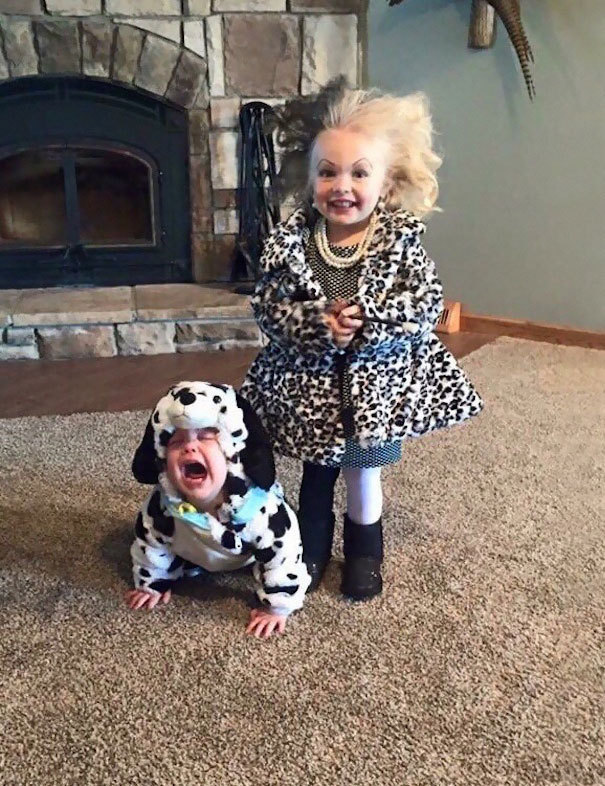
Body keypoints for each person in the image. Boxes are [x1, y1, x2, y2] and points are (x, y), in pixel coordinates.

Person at [240, 78, 484, 601]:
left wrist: (371, 318)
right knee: (315, 476)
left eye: (359, 172)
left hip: (376, 393)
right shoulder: (292, 244)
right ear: (308, 179)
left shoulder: (399, 242)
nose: (342, 186)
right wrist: (315, 322)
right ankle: (308, 548)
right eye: (327, 172)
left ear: (386, 182)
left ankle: (365, 554)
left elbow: (424, 306)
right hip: (310, 392)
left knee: (362, 477)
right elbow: (269, 308)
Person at [125, 380, 311, 639]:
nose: (190, 447)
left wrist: (278, 607)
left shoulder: (259, 511)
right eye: (176, 442)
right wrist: (153, 581)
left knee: (279, 548)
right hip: (192, 553)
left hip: (244, 555)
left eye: (205, 437)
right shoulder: (163, 505)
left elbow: (284, 556)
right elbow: (151, 541)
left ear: (231, 453)